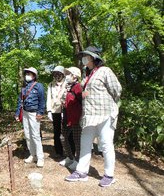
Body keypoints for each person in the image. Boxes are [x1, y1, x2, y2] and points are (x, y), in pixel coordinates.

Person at [65, 47, 122, 187]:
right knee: (84, 143)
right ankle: (81, 172)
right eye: (83, 56)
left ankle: (109, 175)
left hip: (104, 113)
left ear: (94, 58)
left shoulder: (105, 71)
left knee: (106, 144)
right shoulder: (86, 75)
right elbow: (86, 93)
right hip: (89, 116)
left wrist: (106, 101)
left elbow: (117, 90)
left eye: (86, 56)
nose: (84, 58)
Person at [15, 67, 45, 167]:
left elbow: (42, 100)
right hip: (25, 113)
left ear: (34, 75)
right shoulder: (24, 87)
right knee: (28, 135)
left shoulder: (38, 86)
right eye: (27, 73)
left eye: (30, 73)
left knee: (35, 135)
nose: (28, 75)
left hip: (34, 113)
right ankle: (32, 155)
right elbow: (20, 101)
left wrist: (40, 112)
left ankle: (40, 157)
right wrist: (17, 113)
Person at [59, 67, 82, 170]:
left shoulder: (77, 87)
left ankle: (78, 161)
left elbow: (83, 100)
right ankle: (70, 157)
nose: (67, 75)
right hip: (67, 117)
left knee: (77, 141)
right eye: (66, 73)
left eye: (69, 73)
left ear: (75, 76)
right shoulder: (68, 86)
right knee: (63, 137)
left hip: (76, 118)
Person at [46, 66, 66, 158]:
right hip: (55, 111)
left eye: (58, 73)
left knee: (67, 132)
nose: (56, 75)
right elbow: (49, 98)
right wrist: (49, 111)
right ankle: (58, 151)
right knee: (57, 131)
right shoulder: (51, 85)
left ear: (62, 74)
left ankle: (70, 151)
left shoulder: (67, 83)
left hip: (66, 110)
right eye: (55, 73)